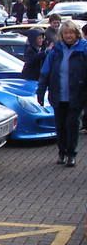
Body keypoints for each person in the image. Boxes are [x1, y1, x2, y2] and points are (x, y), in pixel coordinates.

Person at [37, 20, 87, 166]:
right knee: (60, 126)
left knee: (72, 125)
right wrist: (40, 92)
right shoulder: (56, 51)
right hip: (58, 95)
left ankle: (72, 154)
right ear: (62, 35)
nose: (69, 35)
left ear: (76, 34)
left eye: (71, 32)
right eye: (66, 33)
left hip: (77, 95)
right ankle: (62, 152)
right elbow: (45, 72)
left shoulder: (83, 50)